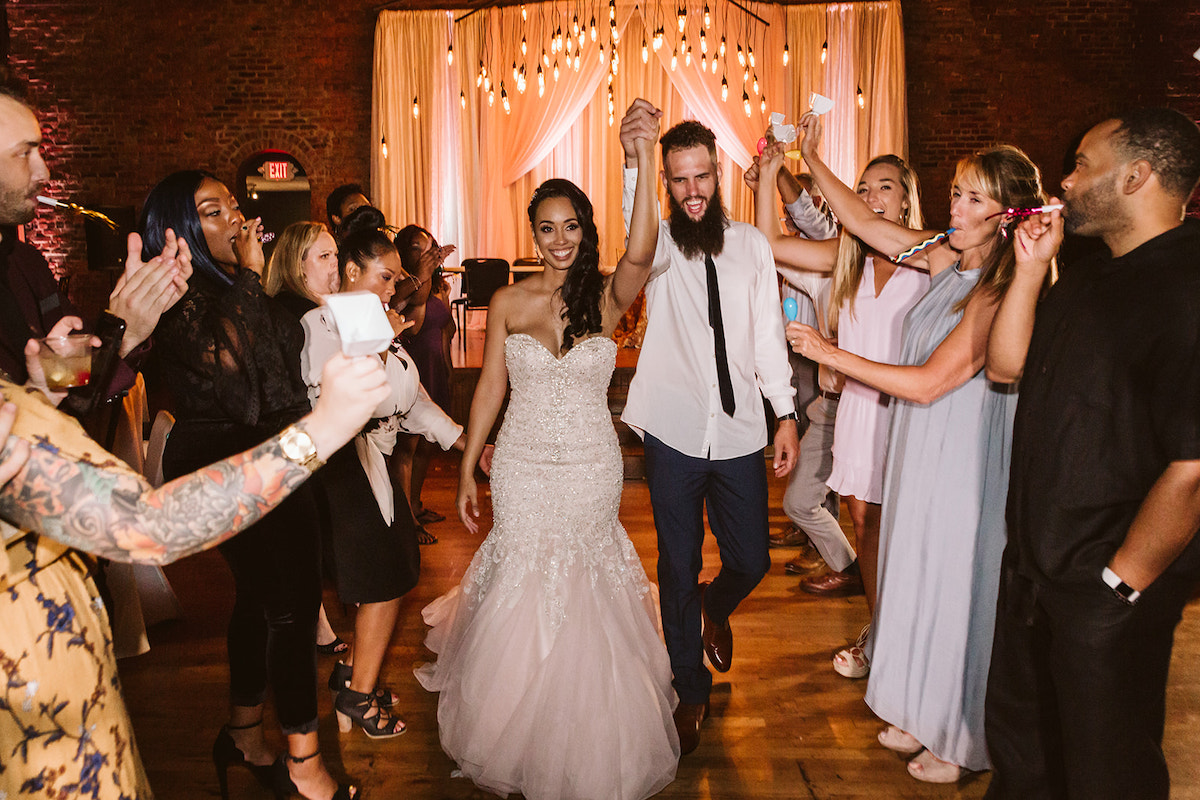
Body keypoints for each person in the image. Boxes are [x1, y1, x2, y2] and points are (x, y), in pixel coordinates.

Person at [415, 100, 678, 800]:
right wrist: (470, 464)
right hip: (524, 465)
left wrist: (645, 155)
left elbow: (646, 250)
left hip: (592, 465)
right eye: (545, 228)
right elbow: (489, 392)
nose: (559, 239)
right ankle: (513, 718)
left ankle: (585, 725)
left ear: (586, 230)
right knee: (525, 573)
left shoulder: (610, 296)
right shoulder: (506, 301)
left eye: (571, 227)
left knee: (584, 575)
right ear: (531, 232)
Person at [0, 326, 389, 797]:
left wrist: (42, 393)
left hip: (65, 653)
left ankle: (244, 740)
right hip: (27, 683)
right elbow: (152, 527)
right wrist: (322, 430)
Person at [786, 113, 1043, 782]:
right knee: (919, 576)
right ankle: (926, 712)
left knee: (960, 589)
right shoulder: (945, 254)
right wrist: (812, 159)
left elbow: (930, 383)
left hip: (964, 456)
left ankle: (963, 739)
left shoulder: (1000, 288)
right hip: (924, 448)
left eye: (974, 198)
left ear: (1008, 215)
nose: (956, 207)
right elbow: (868, 226)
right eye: (955, 191)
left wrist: (828, 351)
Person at [983, 108, 1200, 800]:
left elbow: (1194, 468)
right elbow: (1007, 364)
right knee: (1028, 759)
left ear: (1137, 176)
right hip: (1036, 572)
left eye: (1081, 164)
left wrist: (1119, 587)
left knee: (1108, 773)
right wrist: (1030, 268)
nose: (1066, 181)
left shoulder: (1187, 289)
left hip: (1105, 592)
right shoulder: (1086, 272)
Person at [142, 172, 355, 800]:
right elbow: (241, 390)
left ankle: (242, 733)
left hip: (276, 449)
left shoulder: (233, 285)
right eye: (212, 211)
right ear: (177, 229)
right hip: (225, 458)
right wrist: (250, 275)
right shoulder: (179, 298)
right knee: (290, 603)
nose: (233, 218)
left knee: (263, 599)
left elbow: (276, 371)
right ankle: (305, 764)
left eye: (232, 205)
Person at [617, 102, 800, 755]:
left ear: (717, 175)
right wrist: (634, 156)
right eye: (678, 180)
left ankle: (712, 610)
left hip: (741, 431)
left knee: (751, 557)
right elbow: (632, 222)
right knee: (677, 563)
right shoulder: (658, 247)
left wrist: (784, 413)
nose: (691, 192)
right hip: (671, 431)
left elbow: (765, 338)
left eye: (701, 178)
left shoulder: (752, 245)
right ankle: (689, 691)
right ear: (666, 183)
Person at [757, 146, 930, 679]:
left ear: (906, 201)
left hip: (909, 412)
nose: (872, 197)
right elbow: (767, 246)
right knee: (866, 530)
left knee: (909, 534)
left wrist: (808, 155)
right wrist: (767, 176)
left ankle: (917, 643)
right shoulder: (846, 259)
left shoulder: (929, 254)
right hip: (857, 411)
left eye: (885, 187)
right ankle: (881, 637)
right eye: (865, 188)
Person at [302, 222, 464, 740]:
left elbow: (411, 401)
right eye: (385, 276)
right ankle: (355, 694)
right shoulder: (320, 322)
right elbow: (339, 393)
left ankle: (355, 675)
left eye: (396, 279)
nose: (395, 288)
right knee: (383, 576)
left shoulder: (381, 329)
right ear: (352, 270)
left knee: (392, 571)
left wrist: (466, 443)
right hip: (342, 462)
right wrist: (382, 338)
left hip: (380, 457)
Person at [262, 221, 350, 656]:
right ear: (298, 265)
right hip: (300, 436)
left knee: (308, 536)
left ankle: (317, 623)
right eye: (324, 257)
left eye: (336, 255)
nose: (336, 265)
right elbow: (311, 383)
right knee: (306, 536)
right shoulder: (301, 314)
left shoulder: (311, 307)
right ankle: (312, 628)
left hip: (301, 435)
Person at [390, 224, 457, 539]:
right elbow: (414, 329)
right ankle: (407, 519)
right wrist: (424, 275)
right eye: (418, 247)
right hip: (413, 370)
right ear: (404, 252)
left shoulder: (436, 286)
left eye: (430, 246)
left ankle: (416, 504)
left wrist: (448, 368)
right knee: (408, 447)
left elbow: (448, 329)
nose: (427, 252)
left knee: (427, 447)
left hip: (435, 369)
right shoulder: (402, 287)